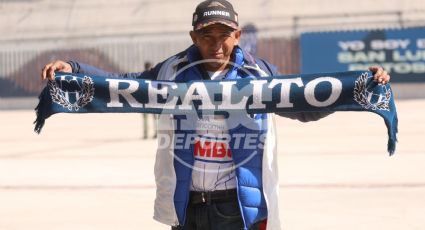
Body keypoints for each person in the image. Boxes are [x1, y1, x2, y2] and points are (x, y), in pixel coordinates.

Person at [40, 1, 390, 229]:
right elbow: (125, 85)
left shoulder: (258, 74)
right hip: (188, 208)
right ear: (194, 35)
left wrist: (361, 84)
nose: (217, 44)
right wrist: (73, 69)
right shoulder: (173, 71)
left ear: (238, 36)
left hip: (237, 210)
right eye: (208, 36)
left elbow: (304, 104)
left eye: (225, 36)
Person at [141, 61, 158, 139]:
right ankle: (155, 132)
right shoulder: (154, 76)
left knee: (146, 118)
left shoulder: (142, 76)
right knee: (154, 118)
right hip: (153, 100)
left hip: (145, 100)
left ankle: (146, 133)